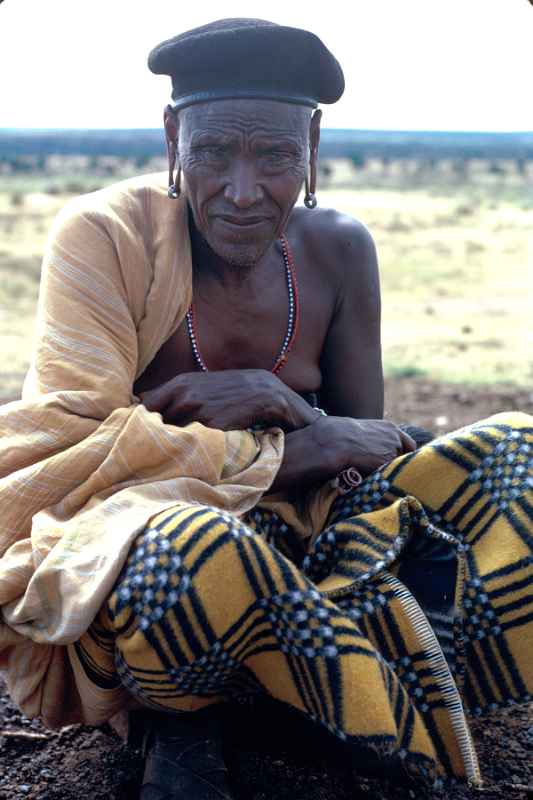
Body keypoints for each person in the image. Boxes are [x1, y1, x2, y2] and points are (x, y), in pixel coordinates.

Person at [0, 17, 531, 800]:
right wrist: (280, 454)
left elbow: (364, 460)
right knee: (191, 549)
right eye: (213, 153)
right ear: (172, 136)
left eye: (275, 156)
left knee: (517, 454)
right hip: (168, 580)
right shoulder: (106, 235)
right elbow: (68, 445)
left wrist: (284, 405)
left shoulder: (339, 248)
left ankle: (318, 691)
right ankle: (189, 712)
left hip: (315, 561)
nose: (243, 192)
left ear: (312, 149)